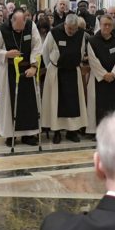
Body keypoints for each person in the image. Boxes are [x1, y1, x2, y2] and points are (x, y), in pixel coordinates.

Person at [0, 8, 42, 146]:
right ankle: (9, 135)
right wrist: (6, 53)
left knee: (28, 102)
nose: (19, 31)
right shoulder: (2, 29)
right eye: (16, 29)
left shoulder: (31, 26)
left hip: (27, 68)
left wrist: (34, 66)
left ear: (25, 21)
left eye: (21, 29)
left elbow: (37, 46)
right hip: (8, 69)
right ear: (11, 22)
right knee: (8, 102)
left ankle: (28, 135)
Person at [41, 13, 87, 143]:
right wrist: (50, 67)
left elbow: (81, 50)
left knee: (73, 103)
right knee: (56, 102)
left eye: (74, 29)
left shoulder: (80, 34)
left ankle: (72, 132)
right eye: (70, 29)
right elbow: (45, 52)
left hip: (73, 72)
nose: (72, 32)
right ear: (65, 24)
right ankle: (56, 131)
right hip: (56, 72)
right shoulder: (54, 33)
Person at [85, 14, 115, 139]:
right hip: (98, 78)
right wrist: (104, 74)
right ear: (100, 25)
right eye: (104, 24)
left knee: (113, 105)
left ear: (113, 26)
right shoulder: (92, 41)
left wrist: (113, 74)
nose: (107, 27)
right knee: (97, 105)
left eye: (109, 25)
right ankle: (97, 131)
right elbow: (93, 61)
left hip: (114, 79)